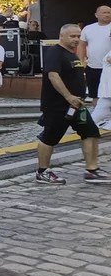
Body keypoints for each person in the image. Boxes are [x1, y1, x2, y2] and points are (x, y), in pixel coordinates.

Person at [35, 24, 109, 184]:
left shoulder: (72, 54)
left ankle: (92, 170)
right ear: (62, 36)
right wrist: (68, 97)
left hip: (76, 106)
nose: (77, 39)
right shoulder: (55, 52)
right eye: (72, 36)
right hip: (58, 106)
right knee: (49, 137)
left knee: (91, 132)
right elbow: (53, 76)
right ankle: (42, 171)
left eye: (78, 36)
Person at [78, 5, 111, 101]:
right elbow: (81, 45)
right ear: (96, 15)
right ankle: (95, 113)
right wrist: (81, 61)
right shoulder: (88, 29)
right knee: (94, 93)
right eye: (104, 12)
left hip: (109, 66)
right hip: (93, 66)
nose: (107, 15)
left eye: (109, 12)